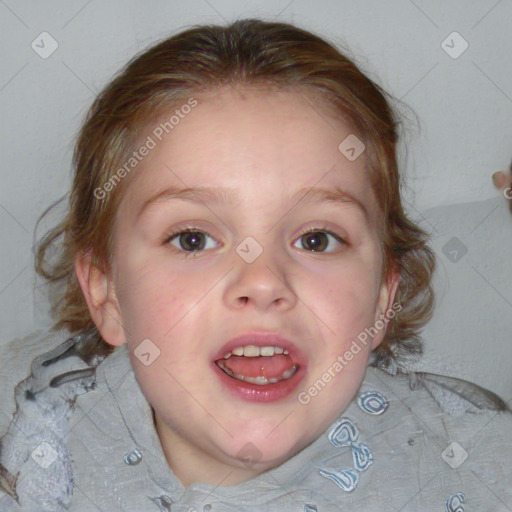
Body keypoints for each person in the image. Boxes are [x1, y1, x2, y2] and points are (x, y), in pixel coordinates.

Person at [0, 18, 510, 512]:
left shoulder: (477, 469)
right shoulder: (34, 456)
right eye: (193, 239)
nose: (263, 282)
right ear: (106, 292)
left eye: (316, 239)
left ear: (381, 297)